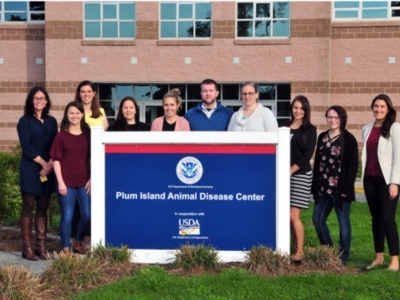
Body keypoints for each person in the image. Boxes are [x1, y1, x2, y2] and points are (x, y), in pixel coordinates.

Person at [312, 106, 358, 265]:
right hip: (323, 188)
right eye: (330, 117)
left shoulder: (348, 139)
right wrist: (315, 186)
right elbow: (318, 162)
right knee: (317, 219)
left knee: (343, 223)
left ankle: (343, 257)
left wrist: (346, 188)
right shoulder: (322, 136)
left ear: (342, 119)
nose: (332, 120)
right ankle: (329, 251)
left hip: (340, 190)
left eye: (336, 117)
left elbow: (352, 166)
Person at [16, 87, 58, 260]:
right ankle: (27, 249)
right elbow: (26, 146)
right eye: (35, 98)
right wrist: (43, 162)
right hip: (31, 168)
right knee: (28, 206)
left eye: (42, 98)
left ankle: (40, 247)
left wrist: (49, 165)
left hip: (47, 169)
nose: (39, 101)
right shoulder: (24, 121)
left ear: (47, 101)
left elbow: (55, 144)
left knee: (43, 206)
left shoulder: (52, 121)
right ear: (30, 101)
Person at [362, 94, 400, 271]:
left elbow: (398, 158)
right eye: (376, 106)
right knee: (376, 219)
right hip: (370, 180)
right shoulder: (366, 129)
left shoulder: (394, 128)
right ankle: (379, 257)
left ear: (388, 109)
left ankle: (394, 261)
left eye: (382, 107)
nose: (378, 109)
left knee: (387, 219)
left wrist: (394, 183)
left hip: (387, 182)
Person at [50, 101, 91, 255]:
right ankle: (66, 248)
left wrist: (92, 178)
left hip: (84, 182)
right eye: (71, 113)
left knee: (87, 215)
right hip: (65, 182)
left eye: (77, 113)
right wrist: (60, 182)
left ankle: (78, 241)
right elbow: (56, 160)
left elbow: (93, 158)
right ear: (67, 115)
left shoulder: (88, 136)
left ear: (82, 114)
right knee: (67, 215)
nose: (74, 116)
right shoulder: (61, 136)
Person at [282, 95, 317, 262]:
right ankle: (293, 250)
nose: (298, 111)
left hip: (300, 175)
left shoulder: (310, 130)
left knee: (293, 215)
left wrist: (290, 170)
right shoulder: (285, 127)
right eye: (295, 107)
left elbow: (307, 155)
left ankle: (300, 252)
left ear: (306, 110)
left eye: (301, 108)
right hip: (284, 175)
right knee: (286, 216)